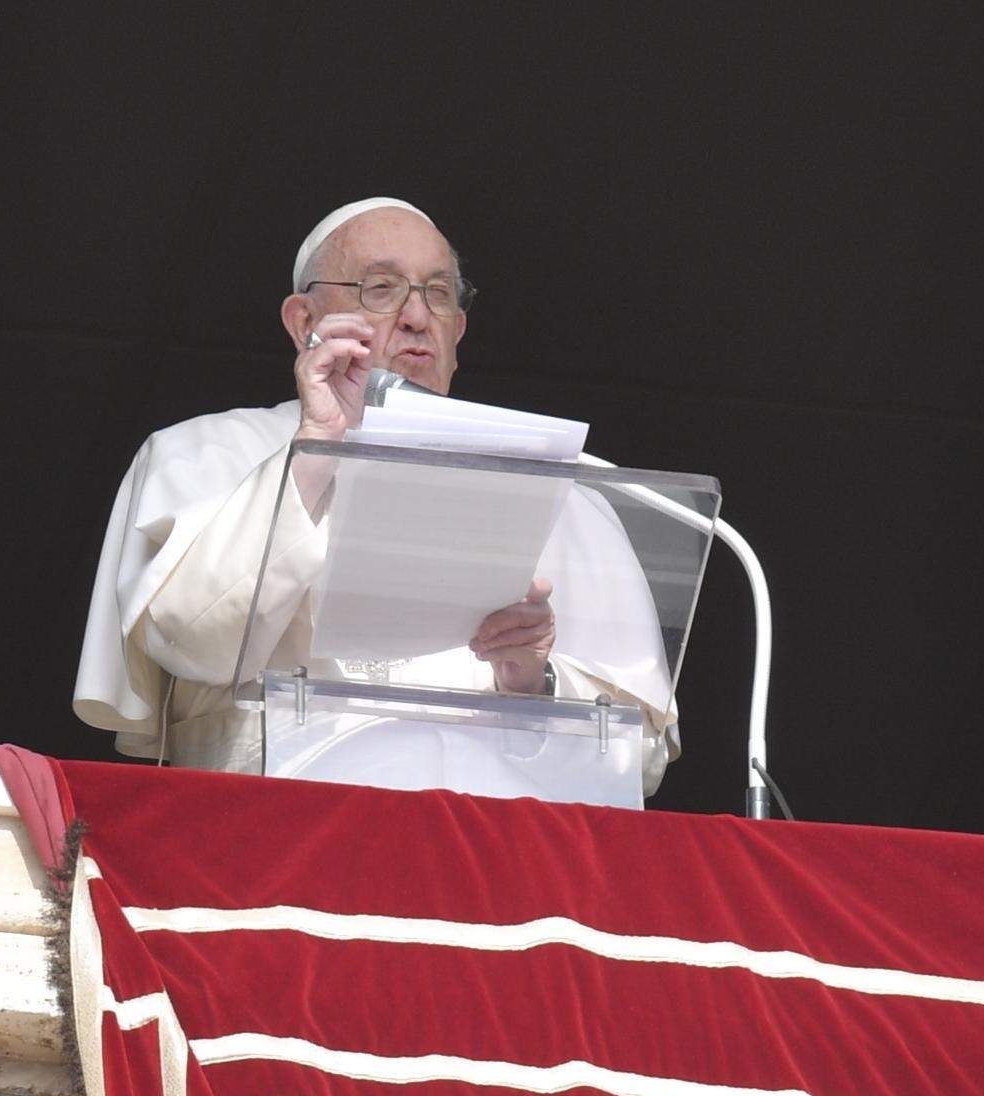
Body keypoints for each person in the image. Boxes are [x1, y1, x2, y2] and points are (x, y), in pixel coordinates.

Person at [73, 198, 677, 794]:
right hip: (277, 847)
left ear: (458, 331)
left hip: (500, 862)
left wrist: (531, 681)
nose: (417, 316)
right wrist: (316, 451)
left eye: (438, 294)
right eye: (381, 289)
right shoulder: (201, 452)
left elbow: (639, 759)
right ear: (303, 322)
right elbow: (192, 643)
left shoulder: (572, 491)